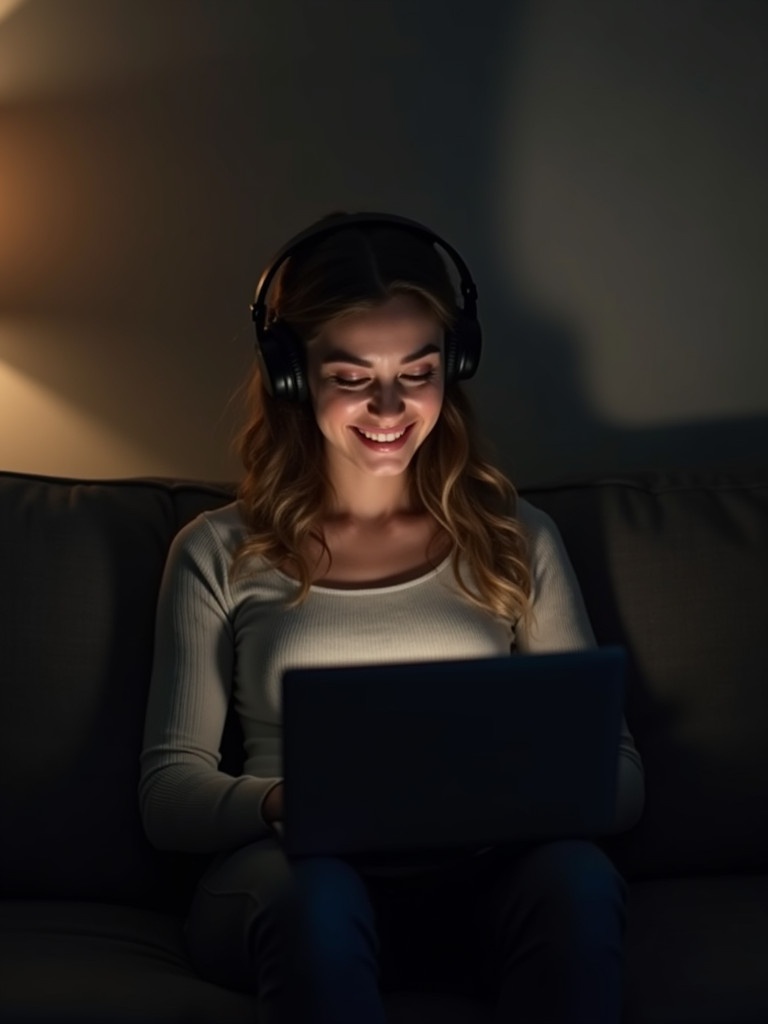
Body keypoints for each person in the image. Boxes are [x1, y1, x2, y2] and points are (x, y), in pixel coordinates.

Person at [139, 211, 645, 1024]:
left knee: (579, 880)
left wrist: (505, 794)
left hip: (485, 876)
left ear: (455, 365)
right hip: (300, 878)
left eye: (418, 371)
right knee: (316, 898)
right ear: (292, 377)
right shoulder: (219, 552)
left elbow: (620, 782)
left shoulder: (515, 537)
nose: (389, 406)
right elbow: (168, 794)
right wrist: (283, 803)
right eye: (350, 377)